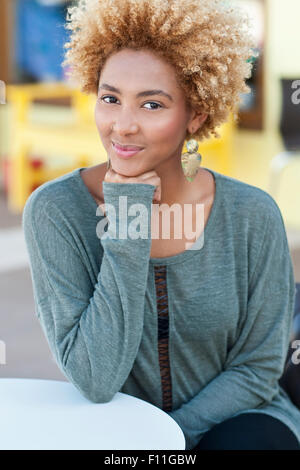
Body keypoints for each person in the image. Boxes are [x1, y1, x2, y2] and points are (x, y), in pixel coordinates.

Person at [23, 0, 300, 450]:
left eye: (151, 104)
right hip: (117, 434)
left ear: (196, 115)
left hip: (242, 421)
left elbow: (258, 368)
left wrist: (168, 439)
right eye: (110, 99)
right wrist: (128, 222)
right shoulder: (55, 212)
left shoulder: (253, 215)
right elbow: (94, 376)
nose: (123, 126)